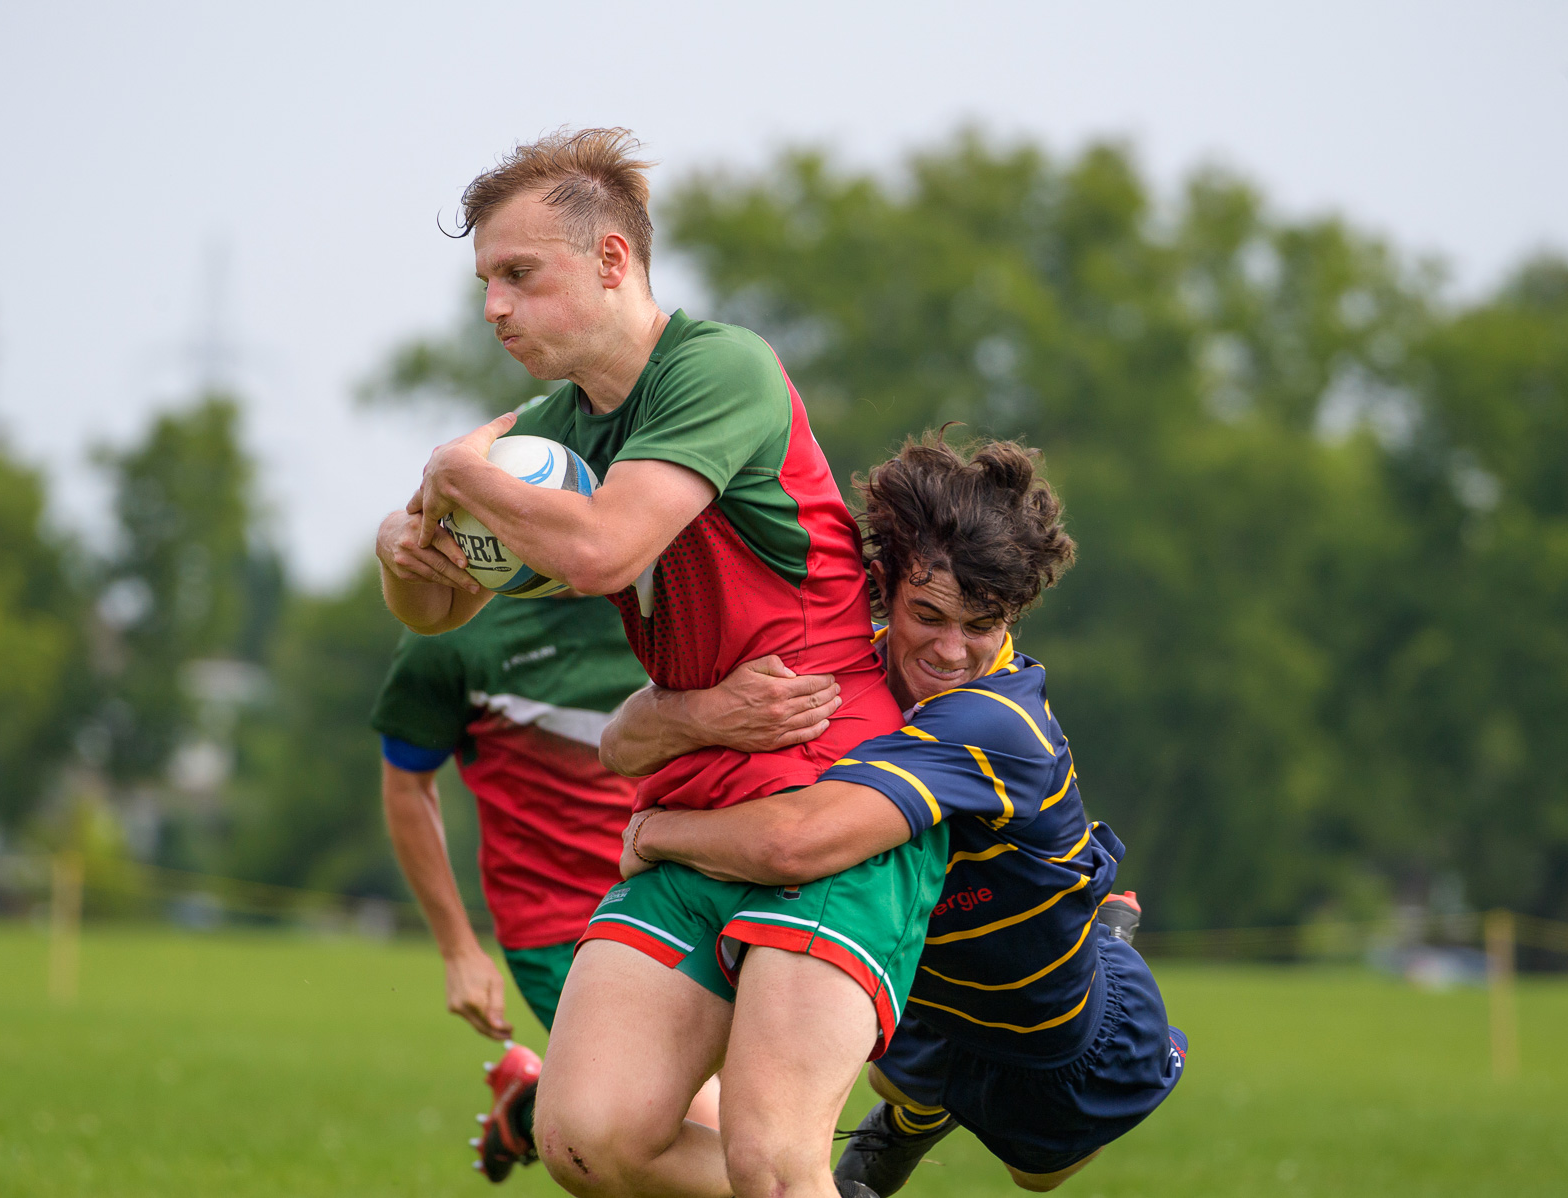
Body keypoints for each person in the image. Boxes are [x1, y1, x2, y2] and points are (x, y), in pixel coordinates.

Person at [376, 128, 942, 1198]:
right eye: (484, 281)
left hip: (825, 801)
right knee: (588, 1139)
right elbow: (436, 606)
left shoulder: (719, 367)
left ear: (611, 263)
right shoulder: (552, 431)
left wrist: (455, 470)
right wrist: (402, 548)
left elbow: (601, 550)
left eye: (517, 274)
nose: (492, 307)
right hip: (688, 813)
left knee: (772, 1159)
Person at [604, 435, 1187, 1194]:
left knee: (1038, 1173)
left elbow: (797, 839)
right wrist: (706, 712)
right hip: (930, 1001)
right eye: (929, 614)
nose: (951, 651)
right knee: (895, 1081)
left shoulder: (996, 722)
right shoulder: (846, 662)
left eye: (981, 624)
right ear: (884, 584)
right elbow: (618, 745)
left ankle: (1107, 941)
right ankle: (912, 1114)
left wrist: (654, 834)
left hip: (1054, 1038)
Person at [370, 592, 743, 1179]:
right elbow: (406, 786)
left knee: (765, 1128)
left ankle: (539, 1104)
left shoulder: (677, 589)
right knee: (716, 1151)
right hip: (562, 928)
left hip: (694, 897)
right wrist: (458, 949)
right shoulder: (452, 628)